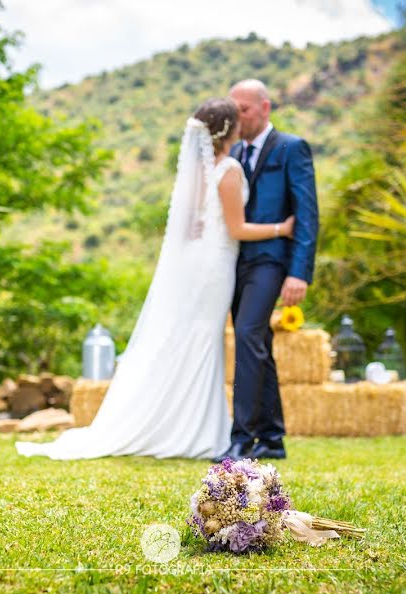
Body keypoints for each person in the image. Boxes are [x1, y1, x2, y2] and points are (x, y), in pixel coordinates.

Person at [15, 98, 295, 460]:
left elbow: (194, 223)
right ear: (230, 129)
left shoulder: (199, 169)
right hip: (215, 266)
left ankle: (187, 424)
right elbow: (237, 228)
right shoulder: (228, 170)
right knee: (203, 340)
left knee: (191, 337)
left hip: (200, 260)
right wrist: (280, 227)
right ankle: (196, 431)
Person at [215, 79, 318, 462]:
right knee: (257, 344)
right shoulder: (234, 152)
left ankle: (242, 437)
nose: (237, 116)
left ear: (265, 107)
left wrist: (299, 273)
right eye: (233, 109)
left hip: (273, 261)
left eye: (244, 109)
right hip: (234, 264)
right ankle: (272, 438)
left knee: (247, 334)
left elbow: (307, 215)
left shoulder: (292, 148)